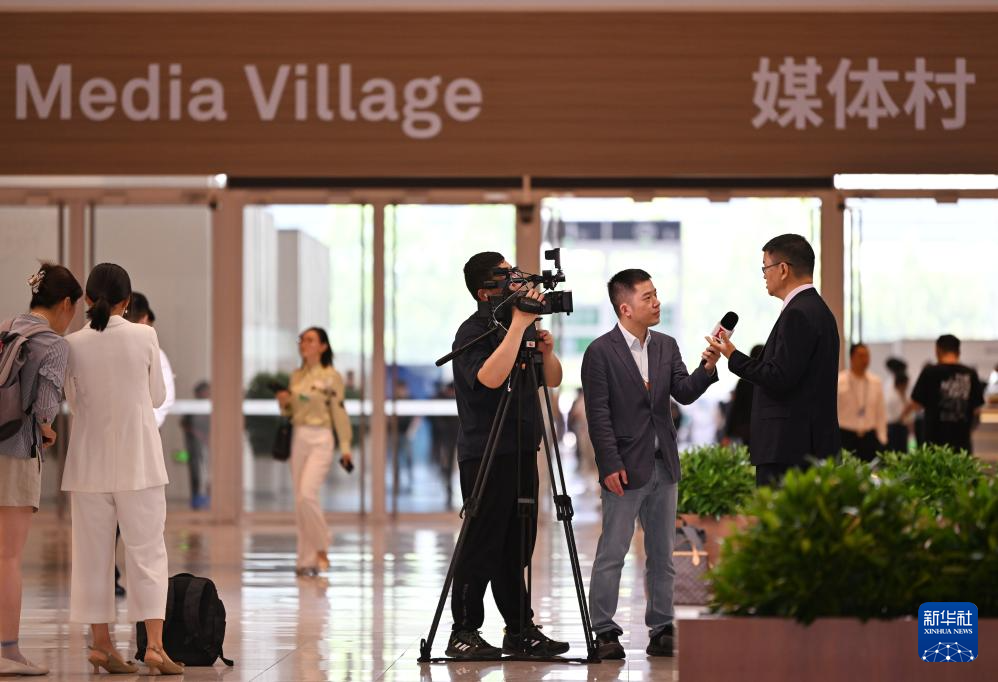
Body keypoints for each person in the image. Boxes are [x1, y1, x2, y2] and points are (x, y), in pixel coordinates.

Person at [582, 268, 719, 660]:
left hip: (664, 465)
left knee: (662, 555)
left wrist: (707, 367)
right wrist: (609, 463)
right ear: (625, 308)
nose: (657, 302)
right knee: (613, 552)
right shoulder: (600, 352)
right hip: (624, 468)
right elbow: (598, 415)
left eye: (656, 294)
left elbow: (684, 392)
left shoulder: (666, 346)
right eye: (648, 297)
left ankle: (662, 627)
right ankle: (604, 630)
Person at [61, 263, 182, 675]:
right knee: (147, 553)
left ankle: (101, 644)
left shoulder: (73, 343)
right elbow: (157, 396)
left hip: (88, 465)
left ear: (87, 299)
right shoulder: (145, 336)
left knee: (92, 557)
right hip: (139, 463)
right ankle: (155, 647)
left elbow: (73, 402)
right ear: (127, 302)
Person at [446, 251, 568, 659]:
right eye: (505, 274)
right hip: (486, 453)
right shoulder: (472, 332)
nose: (516, 278)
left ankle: (519, 630)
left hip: (521, 448)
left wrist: (545, 349)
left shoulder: (520, 328)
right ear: (485, 291)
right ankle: (463, 631)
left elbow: (551, 379)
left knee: (517, 545)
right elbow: (490, 377)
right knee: (481, 543)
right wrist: (518, 327)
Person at [706, 234, 840, 488]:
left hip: (790, 448)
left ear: (783, 269)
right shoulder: (818, 310)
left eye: (765, 267)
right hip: (808, 444)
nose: (764, 275)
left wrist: (733, 355)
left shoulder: (798, 313)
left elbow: (779, 376)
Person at [0, 264, 81, 677]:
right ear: (66, 303)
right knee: (8, 557)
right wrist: (47, 430)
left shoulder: (6, 327)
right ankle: (8, 651)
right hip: (15, 452)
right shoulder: (53, 343)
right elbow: (46, 409)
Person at [275, 327, 352, 577]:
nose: (304, 344)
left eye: (310, 340)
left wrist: (345, 446)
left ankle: (322, 541)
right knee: (300, 500)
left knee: (307, 494)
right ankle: (306, 560)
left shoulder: (331, 376)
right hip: (299, 437)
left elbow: (339, 411)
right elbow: (290, 413)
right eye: (302, 340)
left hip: (321, 437)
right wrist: (284, 403)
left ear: (323, 346)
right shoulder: (296, 376)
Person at [909, 334, 985, 453]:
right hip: (962, 444)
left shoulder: (929, 372)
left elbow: (915, 404)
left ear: (937, 350)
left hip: (934, 445)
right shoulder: (970, 374)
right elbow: (977, 410)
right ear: (958, 351)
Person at [124, 292, 175, 429]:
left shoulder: (103, 347)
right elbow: (163, 400)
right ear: (145, 319)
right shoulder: (155, 353)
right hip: (143, 431)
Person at [837, 343, 887, 462]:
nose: (865, 359)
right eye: (861, 356)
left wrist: (882, 439)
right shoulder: (839, 381)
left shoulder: (876, 382)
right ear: (851, 357)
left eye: (867, 356)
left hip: (869, 438)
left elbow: (880, 412)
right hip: (845, 436)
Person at [722, 344, 763, 447]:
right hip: (764, 426)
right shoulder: (767, 380)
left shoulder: (744, 381)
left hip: (745, 429)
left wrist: (727, 433)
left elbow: (736, 406)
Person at [180, 381, 211, 509]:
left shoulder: (211, 406)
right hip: (194, 446)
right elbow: (184, 424)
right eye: (205, 391)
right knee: (196, 472)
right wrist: (198, 434)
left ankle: (209, 498)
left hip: (209, 445)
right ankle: (196, 499)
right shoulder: (192, 407)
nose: (207, 393)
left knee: (209, 472)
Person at [885, 371, 911, 452]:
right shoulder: (892, 396)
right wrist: (907, 410)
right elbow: (898, 416)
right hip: (894, 427)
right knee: (897, 450)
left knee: (903, 450)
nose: (907, 386)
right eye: (906, 384)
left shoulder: (903, 394)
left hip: (901, 426)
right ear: (901, 384)